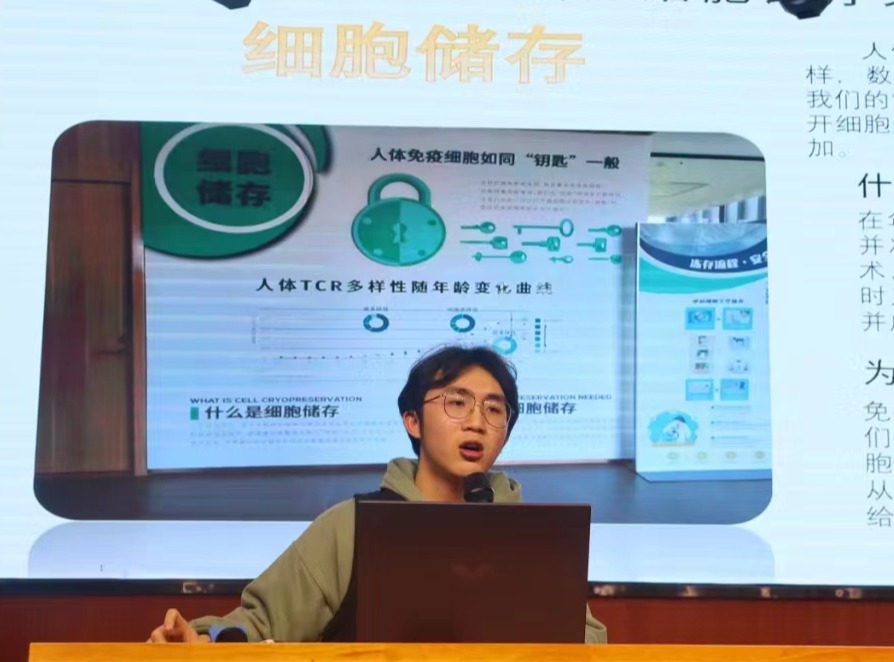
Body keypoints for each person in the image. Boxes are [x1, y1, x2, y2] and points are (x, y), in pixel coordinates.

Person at [147, 344, 608, 644]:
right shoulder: (353, 524)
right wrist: (202, 640)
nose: (476, 422)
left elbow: (587, 643)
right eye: (456, 402)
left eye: (494, 410)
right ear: (413, 420)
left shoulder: (533, 536)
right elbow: (260, 625)